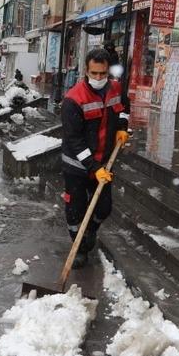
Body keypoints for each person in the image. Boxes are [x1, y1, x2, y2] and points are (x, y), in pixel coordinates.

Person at [60, 48, 130, 268]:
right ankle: (79, 247)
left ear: (108, 71)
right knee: (76, 210)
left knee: (103, 208)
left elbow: (124, 107)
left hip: (105, 161)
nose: (98, 78)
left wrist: (122, 126)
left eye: (103, 73)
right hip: (77, 165)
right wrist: (93, 166)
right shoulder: (74, 99)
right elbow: (74, 140)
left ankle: (89, 230)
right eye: (94, 73)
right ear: (86, 71)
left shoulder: (116, 88)